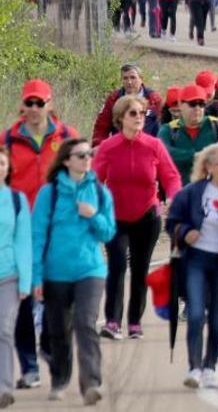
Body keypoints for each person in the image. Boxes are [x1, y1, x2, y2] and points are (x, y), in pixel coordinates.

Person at [2, 79, 77, 390]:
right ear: (23, 105)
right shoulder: (9, 138)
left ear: (50, 103)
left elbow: (81, 173)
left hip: (55, 227)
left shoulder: (66, 136)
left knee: (54, 294)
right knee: (20, 299)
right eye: (29, 103)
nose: (34, 109)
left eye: (39, 103)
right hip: (19, 229)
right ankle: (29, 366)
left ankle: (47, 341)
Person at [32, 138, 116, 405]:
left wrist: (93, 215)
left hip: (89, 269)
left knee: (85, 323)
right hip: (56, 271)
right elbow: (37, 236)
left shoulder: (101, 192)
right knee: (59, 329)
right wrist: (36, 277)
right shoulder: (50, 193)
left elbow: (108, 232)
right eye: (80, 155)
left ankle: (91, 383)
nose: (86, 159)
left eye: (89, 154)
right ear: (67, 160)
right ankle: (59, 379)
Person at [93, 95, 181, 340]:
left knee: (140, 269)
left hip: (147, 216)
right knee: (118, 266)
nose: (139, 117)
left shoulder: (154, 145)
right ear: (121, 118)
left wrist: (173, 196)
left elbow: (171, 176)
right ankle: (112, 321)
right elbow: (94, 181)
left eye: (142, 113)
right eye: (133, 113)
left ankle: (134, 322)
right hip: (115, 217)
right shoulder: (109, 148)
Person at [166, 142, 218, 390]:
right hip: (196, 261)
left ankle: (210, 367)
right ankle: (194, 368)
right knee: (194, 315)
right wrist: (185, 232)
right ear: (208, 167)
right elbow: (172, 223)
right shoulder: (191, 193)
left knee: (216, 322)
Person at [0, 145, 31, 409]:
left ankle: (4, 386)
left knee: (4, 330)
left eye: (1, 163)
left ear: (8, 168)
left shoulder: (17, 200)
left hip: (8, 275)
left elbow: (23, 242)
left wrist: (25, 280)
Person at [158, 84, 218, 185]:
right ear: (180, 104)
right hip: (180, 192)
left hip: (212, 192)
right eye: (193, 104)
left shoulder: (216, 126)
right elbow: (163, 153)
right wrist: (195, 156)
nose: (197, 108)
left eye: (202, 104)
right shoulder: (169, 130)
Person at [92, 62, 164, 146]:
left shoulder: (154, 99)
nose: (129, 82)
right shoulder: (113, 99)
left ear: (141, 79)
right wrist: (98, 147)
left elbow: (164, 126)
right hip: (120, 148)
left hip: (147, 148)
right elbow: (101, 127)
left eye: (133, 77)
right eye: (125, 78)